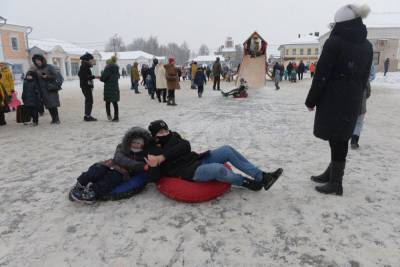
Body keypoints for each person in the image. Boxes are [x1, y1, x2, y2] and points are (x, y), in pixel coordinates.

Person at [305, 4, 373, 196]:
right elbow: (364, 76)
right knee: (340, 137)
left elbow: (322, 74)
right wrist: (357, 94)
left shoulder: (334, 42)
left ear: (341, 24)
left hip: (333, 98)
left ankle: (336, 183)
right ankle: (331, 174)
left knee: (337, 139)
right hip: (352, 97)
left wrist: (311, 100)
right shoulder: (367, 46)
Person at [146, 120, 283, 191]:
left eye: (166, 130)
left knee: (226, 150)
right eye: (160, 133)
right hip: (189, 172)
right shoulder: (152, 150)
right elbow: (154, 178)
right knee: (218, 169)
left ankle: (263, 177)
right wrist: (154, 165)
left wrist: (163, 157)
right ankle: (247, 183)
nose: (165, 134)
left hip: (198, 159)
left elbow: (185, 146)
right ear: (154, 136)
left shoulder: (174, 137)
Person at [69, 127, 152, 203]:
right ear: (129, 141)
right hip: (111, 163)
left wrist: (142, 166)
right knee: (97, 168)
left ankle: (93, 192)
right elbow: (119, 158)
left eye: (139, 143)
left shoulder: (144, 154)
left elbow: (145, 165)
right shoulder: (122, 147)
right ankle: (80, 183)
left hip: (124, 171)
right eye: (134, 142)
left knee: (111, 178)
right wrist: (139, 165)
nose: (136, 145)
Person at [31, 54, 61, 124]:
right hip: (42, 90)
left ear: (42, 60)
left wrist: (47, 76)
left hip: (51, 88)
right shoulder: (37, 69)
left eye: (38, 60)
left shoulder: (49, 67)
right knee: (48, 105)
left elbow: (56, 76)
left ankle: (56, 119)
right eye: (36, 61)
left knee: (53, 104)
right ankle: (53, 119)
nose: (37, 62)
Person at [351, 64, 375, 149]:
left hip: (350, 105)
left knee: (350, 122)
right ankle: (354, 141)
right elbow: (368, 93)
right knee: (359, 123)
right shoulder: (365, 79)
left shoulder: (350, 77)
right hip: (361, 105)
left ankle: (347, 137)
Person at [78, 52, 98, 122]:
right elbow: (85, 77)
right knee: (89, 101)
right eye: (91, 60)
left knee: (88, 100)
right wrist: (94, 76)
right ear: (87, 60)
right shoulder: (84, 67)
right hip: (85, 86)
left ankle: (87, 115)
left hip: (86, 86)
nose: (92, 61)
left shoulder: (85, 66)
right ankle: (87, 116)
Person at [100, 56, 120, 122]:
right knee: (115, 103)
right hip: (115, 87)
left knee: (107, 102)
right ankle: (116, 117)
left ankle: (109, 116)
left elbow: (103, 78)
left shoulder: (107, 68)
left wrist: (102, 75)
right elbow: (118, 77)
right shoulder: (116, 68)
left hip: (108, 88)